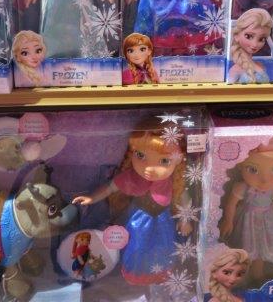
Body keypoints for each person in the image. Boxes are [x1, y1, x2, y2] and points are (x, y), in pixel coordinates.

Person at [73, 119, 193, 285]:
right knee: (137, 248)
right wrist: (92, 198)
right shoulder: (131, 178)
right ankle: (136, 274)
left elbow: (184, 198)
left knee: (164, 248)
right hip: (138, 223)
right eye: (141, 156)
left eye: (164, 161)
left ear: (178, 160)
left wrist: (185, 220)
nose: (149, 168)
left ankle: (161, 275)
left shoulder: (174, 182)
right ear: (132, 153)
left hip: (163, 222)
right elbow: (110, 188)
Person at [219, 135, 273, 282]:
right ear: (241, 166)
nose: (264, 180)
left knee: (261, 251)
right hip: (247, 222)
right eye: (253, 169)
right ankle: (246, 275)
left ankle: (257, 276)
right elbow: (231, 204)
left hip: (268, 222)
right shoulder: (242, 187)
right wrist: (228, 220)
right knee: (247, 248)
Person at [227, 8, 273, 84]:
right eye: (248, 36)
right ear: (236, 35)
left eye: (261, 39)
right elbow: (228, 90)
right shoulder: (235, 70)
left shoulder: (260, 66)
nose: (255, 44)